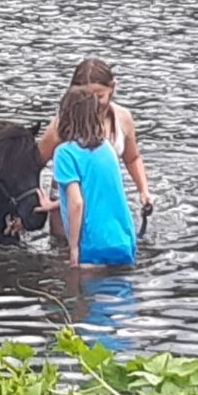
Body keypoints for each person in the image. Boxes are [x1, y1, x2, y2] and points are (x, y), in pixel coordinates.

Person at [38, 58, 153, 219]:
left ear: (112, 88)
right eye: (85, 96)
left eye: (99, 96)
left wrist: (144, 191)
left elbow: (132, 158)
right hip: (66, 209)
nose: (92, 104)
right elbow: (34, 164)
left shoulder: (123, 118)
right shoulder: (61, 125)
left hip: (104, 204)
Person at [52, 86, 137, 267]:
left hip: (93, 246)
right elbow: (99, 194)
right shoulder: (107, 148)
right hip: (123, 240)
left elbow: (77, 202)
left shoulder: (64, 153)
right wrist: (55, 204)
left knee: (73, 282)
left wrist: (73, 247)